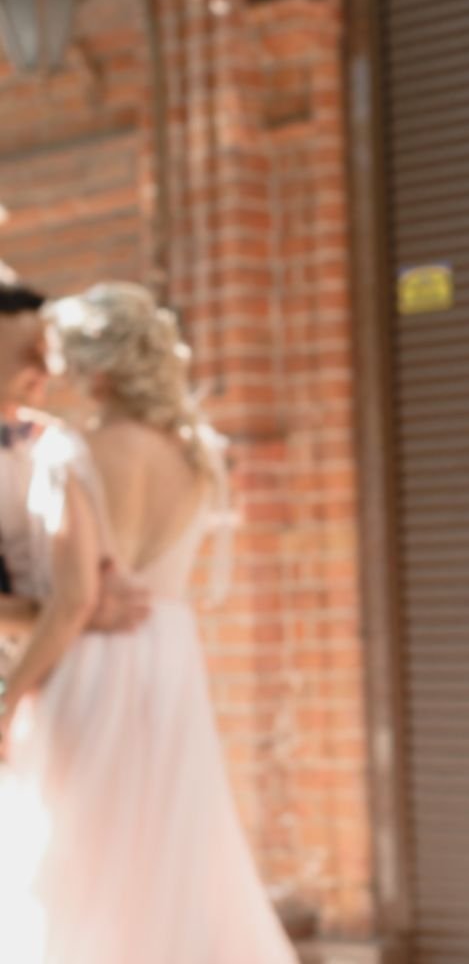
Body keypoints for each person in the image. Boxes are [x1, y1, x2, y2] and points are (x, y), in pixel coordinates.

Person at [0, 282, 296, 964]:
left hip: (93, 665)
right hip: (169, 660)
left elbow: (75, 603)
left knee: (75, 859)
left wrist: (10, 693)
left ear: (97, 372)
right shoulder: (195, 455)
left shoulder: (70, 453)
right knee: (170, 852)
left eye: (62, 356)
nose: (53, 373)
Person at [0, 277, 149, 642]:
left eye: (48, 353)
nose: (49, 370)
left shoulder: (54, 442)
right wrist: (73, 610)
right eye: (31, 354)